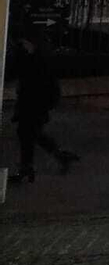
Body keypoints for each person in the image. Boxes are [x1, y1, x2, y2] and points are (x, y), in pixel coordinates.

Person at [7, 35, 79, 183]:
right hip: (35, 102)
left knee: (28, 132)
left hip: (35, 102)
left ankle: (30, 166)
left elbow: (21, 75)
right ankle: (51, 159)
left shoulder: (36, 59)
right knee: (30, 133)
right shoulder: (36, 57)